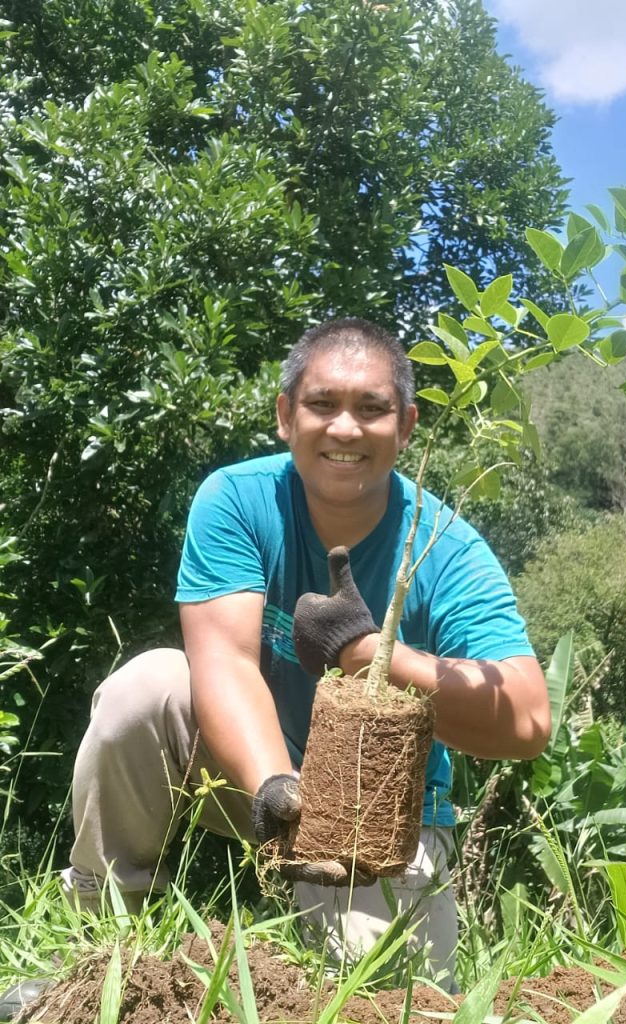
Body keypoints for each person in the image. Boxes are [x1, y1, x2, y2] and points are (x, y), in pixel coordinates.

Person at [5, 318, 550, 1014]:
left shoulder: (448, 545)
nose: (345, 428)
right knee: (144, 688)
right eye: (323, 404)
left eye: (372, 409)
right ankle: (94, 953)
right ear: (285, 415)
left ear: (407, 426)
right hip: (258, 775)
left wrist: (367, 654)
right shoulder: (238, 499)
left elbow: (530, 720)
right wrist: (275, 789)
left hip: (379, 817)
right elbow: (224, 664)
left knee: (381, 999)